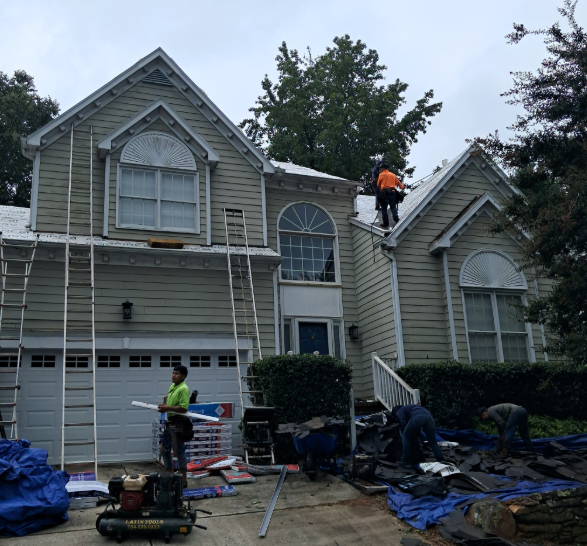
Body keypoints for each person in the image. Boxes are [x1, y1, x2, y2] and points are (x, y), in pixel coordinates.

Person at [159, 364, 191, 487]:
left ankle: (183, 479)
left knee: (179, 451)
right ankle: (169, 473)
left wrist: (167, 408)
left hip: (178, 422)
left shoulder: (184, 389)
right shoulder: (173, 386)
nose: (173, 375)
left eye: (176, 374)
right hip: (170, 421)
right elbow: (169, 403)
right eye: (173, 373)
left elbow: (183, 408)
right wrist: (164, 407)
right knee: (164, 449)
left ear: (183, 376)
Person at [377, 163, 405, 228]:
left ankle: (386, 223)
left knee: (384, 208)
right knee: (393, 207)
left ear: (384, 168)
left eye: (380, 169)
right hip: (392, 193)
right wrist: (402, 187)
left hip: (384, 193)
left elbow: (378, 184)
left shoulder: (381, 175)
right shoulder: (393, 175)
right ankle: (396, 218)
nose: (379, 170)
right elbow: (398, 182)